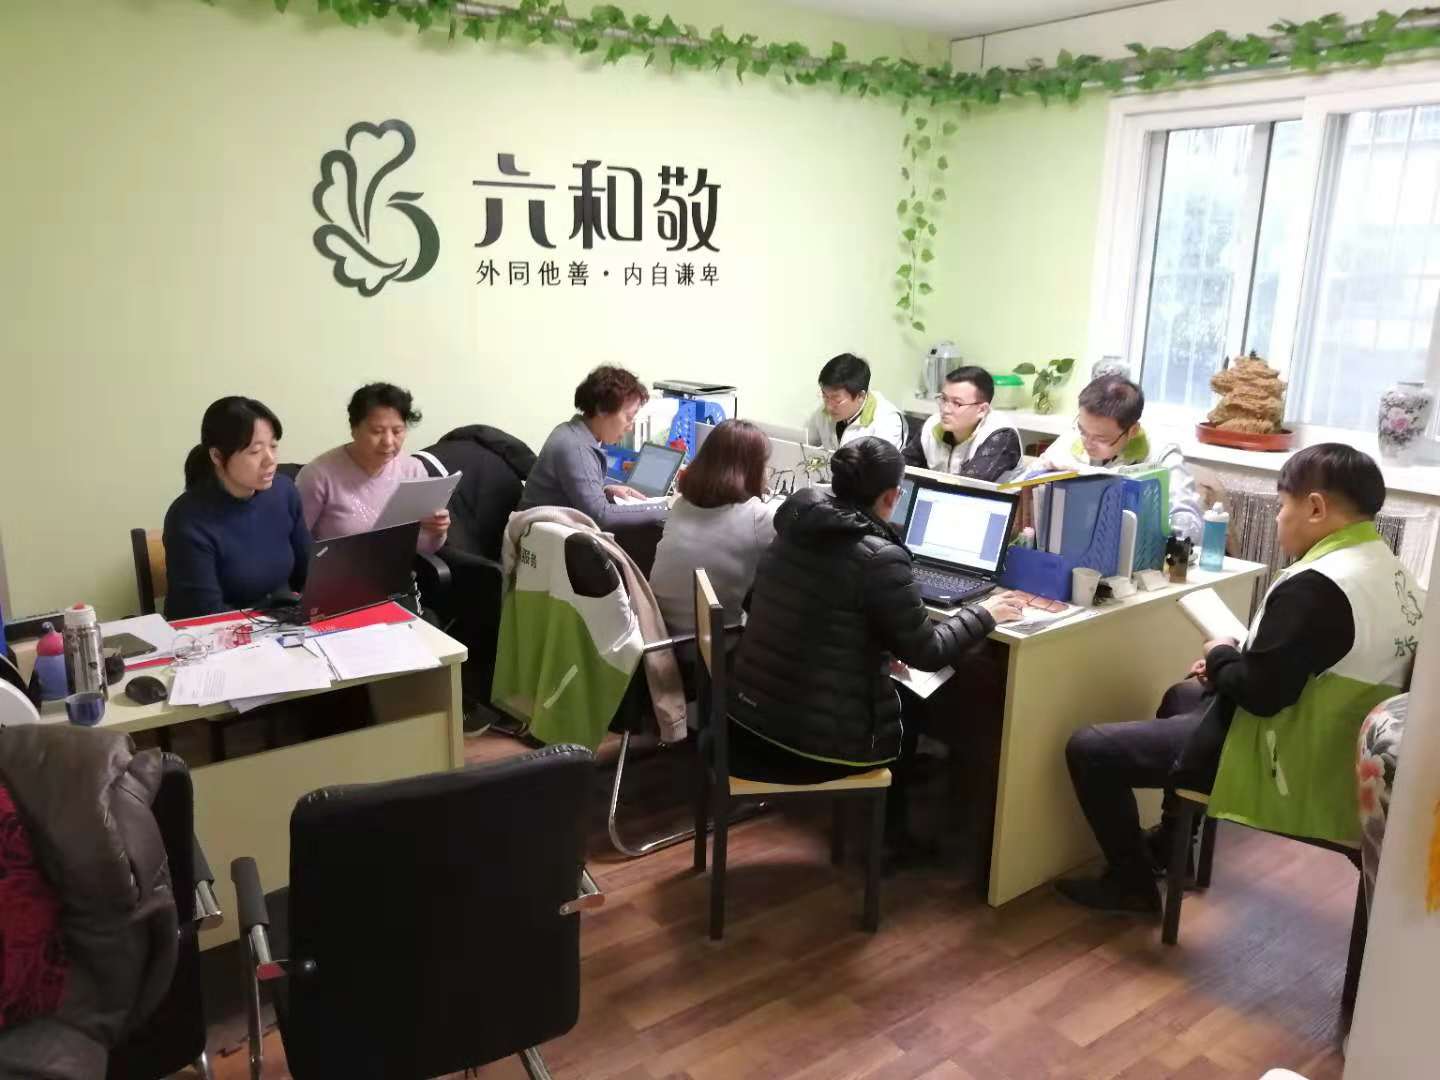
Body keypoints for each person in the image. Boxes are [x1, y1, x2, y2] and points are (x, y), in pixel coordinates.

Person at [1057, 444, 1424, 913]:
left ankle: (1130, 885)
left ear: (1315, 507)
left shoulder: (1318, 585)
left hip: (1292, 758)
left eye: (1282, 506)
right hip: (1345, 744)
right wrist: (1229, 664)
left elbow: (1262, 696)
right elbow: (1308, 663)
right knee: (1180, 696)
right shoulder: (1390, 572)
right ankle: (1172, 847)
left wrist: (1220, 654)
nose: (1278, 518)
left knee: (1090, 749)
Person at [729, 437, 1022, 846]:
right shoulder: (879, 557)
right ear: (892, 497)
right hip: (812, 744)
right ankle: (892, 840)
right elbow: (928, 652)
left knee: (907, 692)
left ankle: (890, 824)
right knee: (915, 702)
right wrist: (986, 613)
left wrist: (869, 649)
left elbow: (766, 605)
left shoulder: (796, 525)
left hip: (749, 717)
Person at [163, 397, 310, 619]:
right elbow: (204, 613)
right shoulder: (188, 518)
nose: (270, 460)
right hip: (220, 632)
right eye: (255, 451)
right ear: (217, 456)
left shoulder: (284, 491)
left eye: (273, 446)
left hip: (283, 623)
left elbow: (309, 574)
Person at [649, 419, 776, 639]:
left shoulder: (681, 505)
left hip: (658, 635)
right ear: (751, 469)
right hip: (709, 648)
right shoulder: (759, 518)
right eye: (764, 465)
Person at [1038, 376, 1203, 541]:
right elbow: (1031, 478)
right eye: (1083, 431)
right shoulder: (1075, 437)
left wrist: (1173, 529)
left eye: (1101, 439)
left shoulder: (1163, 454)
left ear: (1132, 431)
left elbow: (1190, 526)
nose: (1087, 443)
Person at [296, 382, 450, 554]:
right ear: (354, 429)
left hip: (399, 566)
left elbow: (422, 548)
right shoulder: (318, 476)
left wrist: (436, 532)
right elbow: (295, 543)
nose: (388, 441)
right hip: (336, 568)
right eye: (377, 431)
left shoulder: (413, 471)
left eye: (397, 431)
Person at [520, 365, 667, 528]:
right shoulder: (576, 447)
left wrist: (604, 490)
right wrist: (665, 508)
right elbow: (601, 515)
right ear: (602, 410)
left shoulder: (572, 432)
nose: (630, 427)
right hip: (542, 540)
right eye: (628, 417)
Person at [904, 365, 1023, 482]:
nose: (945, 409)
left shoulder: (1001, 434)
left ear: (981, 410)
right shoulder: (933, 425)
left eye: (957, 403)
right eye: (944, 399)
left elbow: (968, 487)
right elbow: (901, 468)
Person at [803, 353, 906, 452]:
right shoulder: (824, 410)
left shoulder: (887, 422)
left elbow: (881, 463)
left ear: (860, 396)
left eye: (837, 399)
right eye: (825, 395)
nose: (829, 407)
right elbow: (808, 445)